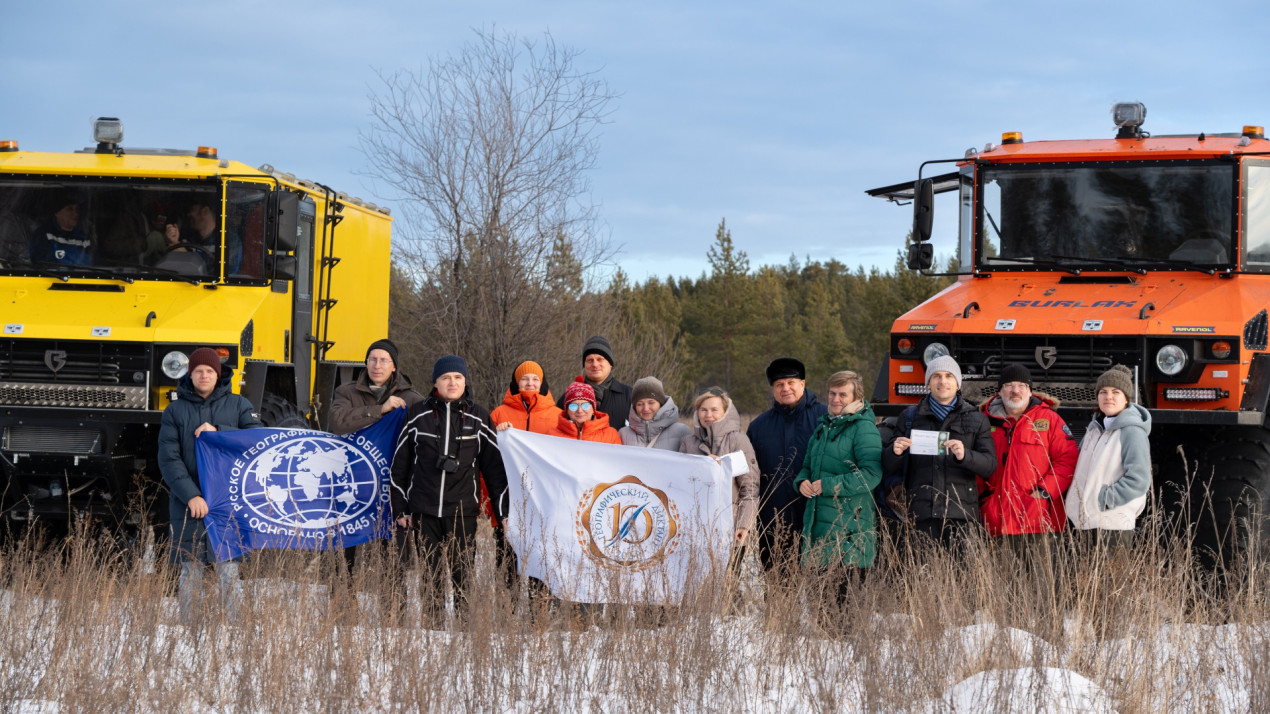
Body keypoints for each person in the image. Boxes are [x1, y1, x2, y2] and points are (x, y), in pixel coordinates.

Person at [390, 355, 508, 624]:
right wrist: (401, 508)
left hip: (462, 512)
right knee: (430, 576)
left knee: (462, 575)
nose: (452, 383)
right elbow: (400, 465)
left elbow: (495, 470)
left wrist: (502, 512)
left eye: (458, 377)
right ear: (436, 382)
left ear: (465, 382)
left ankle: (465, 631)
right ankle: (433, 631)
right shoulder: (417, 414)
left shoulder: (479, 417)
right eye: (445, 378)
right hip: (424, 509)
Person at [157, 347, 261, 623]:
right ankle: (188, 632)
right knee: (190, 569)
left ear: (219, 374)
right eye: (198, 371)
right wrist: (191, 496)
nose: (204, 376)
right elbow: (169, 459)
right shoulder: (174, 411)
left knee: (228, 570)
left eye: (210, 371)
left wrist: (220, 432)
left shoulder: (240, 405)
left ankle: (234, 631)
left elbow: (256, 442)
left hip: (227, 502)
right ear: (190, 375)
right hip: (188, 504)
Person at [882, 355, 996, 549]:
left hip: (961, 515)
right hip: (920, 514)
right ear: (928, 383)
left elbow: (990, 465)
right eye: (936, 376)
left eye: (949, 376)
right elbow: (888, 465)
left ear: (957, 383)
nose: (943, 381)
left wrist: (965, 456)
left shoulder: (977, 419)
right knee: (922, 568)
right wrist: (895, 452)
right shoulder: (909, 417)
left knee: (960, 570)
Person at [793, 371, 883, 616]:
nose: (835, 399)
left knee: (844, 615)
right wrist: (802, 482)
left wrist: (829, 485)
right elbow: (807, 467)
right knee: (820, 613)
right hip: (819, 531)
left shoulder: (863, 428)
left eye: (843, 394)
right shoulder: (823, 427)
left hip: (850, 532)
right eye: (832, 393)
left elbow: (871, 475)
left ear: (856, 397)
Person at [746, 357, 828, 585]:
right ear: (773, 389)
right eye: (779, 384)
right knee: (777, 589)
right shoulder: (758, 427)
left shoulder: (825, 418)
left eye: (791, 382)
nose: (786, 388)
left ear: (803, 384)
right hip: (774, 521)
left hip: (818, 518)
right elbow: (748, 473)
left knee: (822, 590)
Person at [979, 363, 1079, 550]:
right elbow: (975, 464)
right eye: (1009, 385)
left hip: (1041, 521)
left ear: (1030, 391)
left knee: (1043, 571)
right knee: (999, 571)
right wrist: (985, 499)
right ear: (1000, 391)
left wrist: (1044, 491)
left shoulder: (1050, 420)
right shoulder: (983, 422)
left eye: (1021, 385)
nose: (1015, 391)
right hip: (997, 522)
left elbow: (1068, 460)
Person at [1065, 365, 1152, 549]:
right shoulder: (1094, 430)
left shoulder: (1131, 431)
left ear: (1126, 398)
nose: (1108, 397)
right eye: (1103, 392)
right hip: (1086, 523)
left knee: (1112, 570)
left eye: (1115, 392)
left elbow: (1139, 479)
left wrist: (1103, 500)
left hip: (1113, 525)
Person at [680, 387, 761, 573]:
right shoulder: (688, 443)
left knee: (728, 582)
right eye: (703, 410)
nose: (708, 415)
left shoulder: (738, 440)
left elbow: (750, 489)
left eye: (714, 409)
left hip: (731, 529)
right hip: (696, 531)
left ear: (725, 412)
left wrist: (744, 525)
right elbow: (681, 483)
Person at [329, 338, 424, 435]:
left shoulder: (413, 400)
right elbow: (337, 423)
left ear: (394, 367)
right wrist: (380, 410)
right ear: (367, 364)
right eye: (373, 360)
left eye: (383, 361)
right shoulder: (347, 392)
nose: (377, 366)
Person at [558, 336, 633, 430]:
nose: (595, 364)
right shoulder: (569, 397)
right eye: (590, 360)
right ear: (584, 365)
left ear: (610, 364)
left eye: (600, 359)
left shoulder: (629, 395)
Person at [619, 376, 691, 451]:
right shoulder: (623, 434)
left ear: (661, 403)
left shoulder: (681, 432)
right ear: (634, 407)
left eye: (651, 403)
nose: (646, 408)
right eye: (640, 404)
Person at [492, 360, 562, 433]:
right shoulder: (498, 414)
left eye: (535, 379)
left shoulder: (559, 416)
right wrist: (496, 432)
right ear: (517, 383)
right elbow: (488, 438)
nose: (530, 383)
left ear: (541, 383)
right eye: (524, 379)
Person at [552, 376, 621, 444]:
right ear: (567, 410)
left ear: (593, 409)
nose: (580, 410)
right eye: (573, 406)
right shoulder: (552, 435)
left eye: (585, 405)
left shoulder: (610, 435)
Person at [29, 193, 92, 265]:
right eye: (69, 209)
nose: (75, 214)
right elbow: (44, 265)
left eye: (76, 209)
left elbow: (93, 264)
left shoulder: (83, 238)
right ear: (57, 212)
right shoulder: (43, 236)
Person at [186, 200, 242, 275]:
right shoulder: (189, 238)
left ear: (205, 211)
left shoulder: (229, 240)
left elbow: (225, 272)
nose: (189, 214)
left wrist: (187, 256)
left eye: (192, 209)